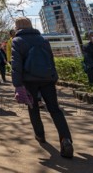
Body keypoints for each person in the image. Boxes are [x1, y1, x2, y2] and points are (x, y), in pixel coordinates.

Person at [11, 17, 74, 159]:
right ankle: (66, 139)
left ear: (17, 27)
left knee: (33, 109)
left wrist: (17, 84)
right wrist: (54, 77)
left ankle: (40, 135)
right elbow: (51, 59)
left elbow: (16, 65)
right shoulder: (42, 39)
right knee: (55, 110)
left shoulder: (17, 41)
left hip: (29, 80)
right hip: (47, 79)